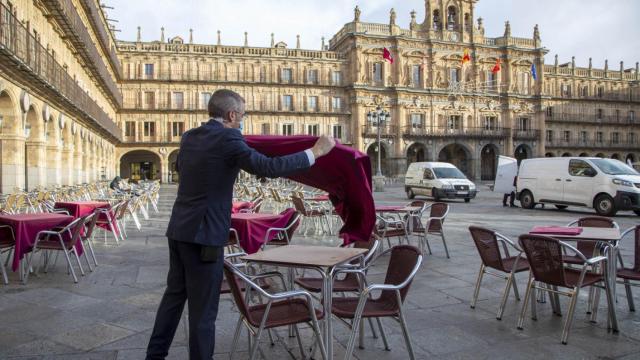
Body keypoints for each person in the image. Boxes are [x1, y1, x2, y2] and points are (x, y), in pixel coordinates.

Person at [146, 89, 335, 360]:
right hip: (205, 236)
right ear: (232, 114)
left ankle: (154, 355)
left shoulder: (189, 137)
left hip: (179, 230)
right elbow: (267, 167)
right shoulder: (228, 137)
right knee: (203, 311)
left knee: (173, 298)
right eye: (242, 116)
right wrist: (315, 152)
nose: (242, 122)